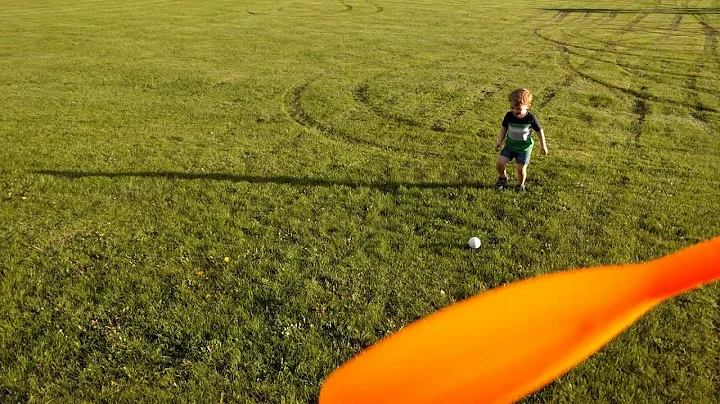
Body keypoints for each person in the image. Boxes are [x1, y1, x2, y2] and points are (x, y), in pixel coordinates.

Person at [494, 88, 548, 191]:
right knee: (500, 163)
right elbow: (504, 128)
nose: (515, 111)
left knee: (521, 169)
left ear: (528, 106)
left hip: (524, 148)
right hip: (510, 145)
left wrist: (543, 145)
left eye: (518, 109)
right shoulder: (509, 115)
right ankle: (503, 178)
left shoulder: (530, 118)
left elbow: (539, 131)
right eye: (512, 108)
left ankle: (520, 185)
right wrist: (499, 141)